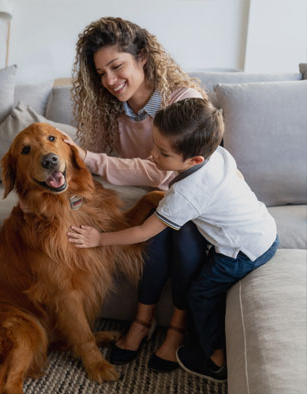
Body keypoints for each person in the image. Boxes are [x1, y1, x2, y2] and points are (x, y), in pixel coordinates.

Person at [67, 97, 279, 382]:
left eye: (163, 153)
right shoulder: (219, 155)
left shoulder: (186, 195)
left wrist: (99, 239)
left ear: (194, 161)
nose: (153, 155)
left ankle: (216, 358)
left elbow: (142, 232)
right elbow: (237, 176)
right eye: (154, 145)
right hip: (264, 229)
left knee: (201, 294)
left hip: (242, 250)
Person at [67, 16, 209, 371]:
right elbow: (87, 170)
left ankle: (176, 327)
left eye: (116, 66)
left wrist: (92, 159)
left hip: (193, 203)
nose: (110, 81)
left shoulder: (182, 101)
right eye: (101, 73)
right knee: (152, 227)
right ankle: (143, 322)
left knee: (181, 234)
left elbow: (162, 170)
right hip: (154, 204)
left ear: (143, 57)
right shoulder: (109, 110)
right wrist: (74, 200)